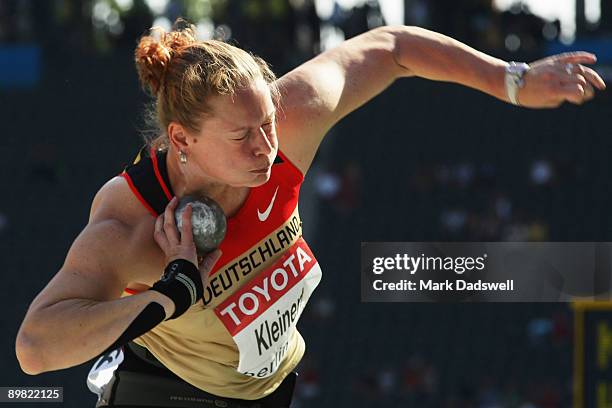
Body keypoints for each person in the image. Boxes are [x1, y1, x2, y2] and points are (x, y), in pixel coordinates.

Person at [15, 18, 605, 408]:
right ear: (182, 139)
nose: (268, 147)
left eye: (269, 121)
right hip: (170, 396)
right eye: (243, 135)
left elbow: (390, 48)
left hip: (275, 394)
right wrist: (170, 293)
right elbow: (35, 348)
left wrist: (512, 79)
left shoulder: (289, 122)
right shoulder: (133, 224)